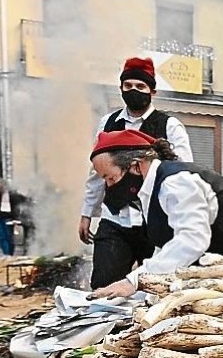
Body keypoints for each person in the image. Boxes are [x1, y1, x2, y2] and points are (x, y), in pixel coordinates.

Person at [88, 129, 223, 299]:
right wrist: (144, 288)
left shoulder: (175, 183)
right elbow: (167, 246)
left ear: (136, 166)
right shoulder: (149, 191)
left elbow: (192, 239)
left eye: (111, 178)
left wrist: (134, 281)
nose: (109, 186)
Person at [80, 57, 193, 289]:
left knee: (157, 287)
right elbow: (97, 172)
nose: (134, 90)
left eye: (140, 86)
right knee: (103, 285)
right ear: (121, 88)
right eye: (128, 85)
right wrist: (87, 212)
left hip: (155, 223)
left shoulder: (170, 125)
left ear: (152, 91)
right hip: (114, 219)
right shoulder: (107, 123)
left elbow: (184, 173)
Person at [0, 180, 27, 257]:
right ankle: (6, 253)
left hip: (8, 217)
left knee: (9, 236)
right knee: (1, 236)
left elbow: (16, 206)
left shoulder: (11, 194)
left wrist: (16, 218)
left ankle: (10, 253)